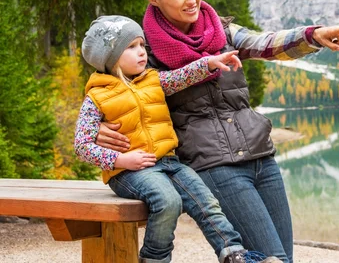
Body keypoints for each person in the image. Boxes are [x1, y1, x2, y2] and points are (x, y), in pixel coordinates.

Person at [95, 0, 339, 263]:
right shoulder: (143, 52)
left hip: (261, 156)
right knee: (270, 258)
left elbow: (264, 43)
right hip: (213, 165)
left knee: (282, 259)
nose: (192, 0)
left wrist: (313, 36)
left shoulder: (221, 29)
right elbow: (112, 97)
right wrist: (101, 129)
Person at [74, 15, 282, 263]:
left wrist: (210, 63)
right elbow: (82, 145)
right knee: (168, 201)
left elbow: (182, 76)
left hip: (170, 163)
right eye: (131, 47)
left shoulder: (153, 79)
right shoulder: (96, 98)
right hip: (129, 172)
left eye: (142, 45)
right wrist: (121, 159)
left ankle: (234, 255)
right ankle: (155, 258)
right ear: (108, 57)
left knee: (207, 203)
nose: (142, 52)